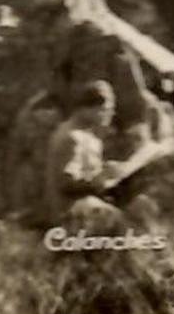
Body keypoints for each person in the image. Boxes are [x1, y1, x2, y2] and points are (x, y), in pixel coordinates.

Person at [44, 80, 127, 221]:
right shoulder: (71, 138)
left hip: (86, 208)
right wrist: (98, 180)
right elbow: (65, 184)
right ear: (88, 109)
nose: (111, 114)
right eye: (106, 109)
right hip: (71, 215)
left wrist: (105, 171)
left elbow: (84, 171)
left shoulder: (84, 135)